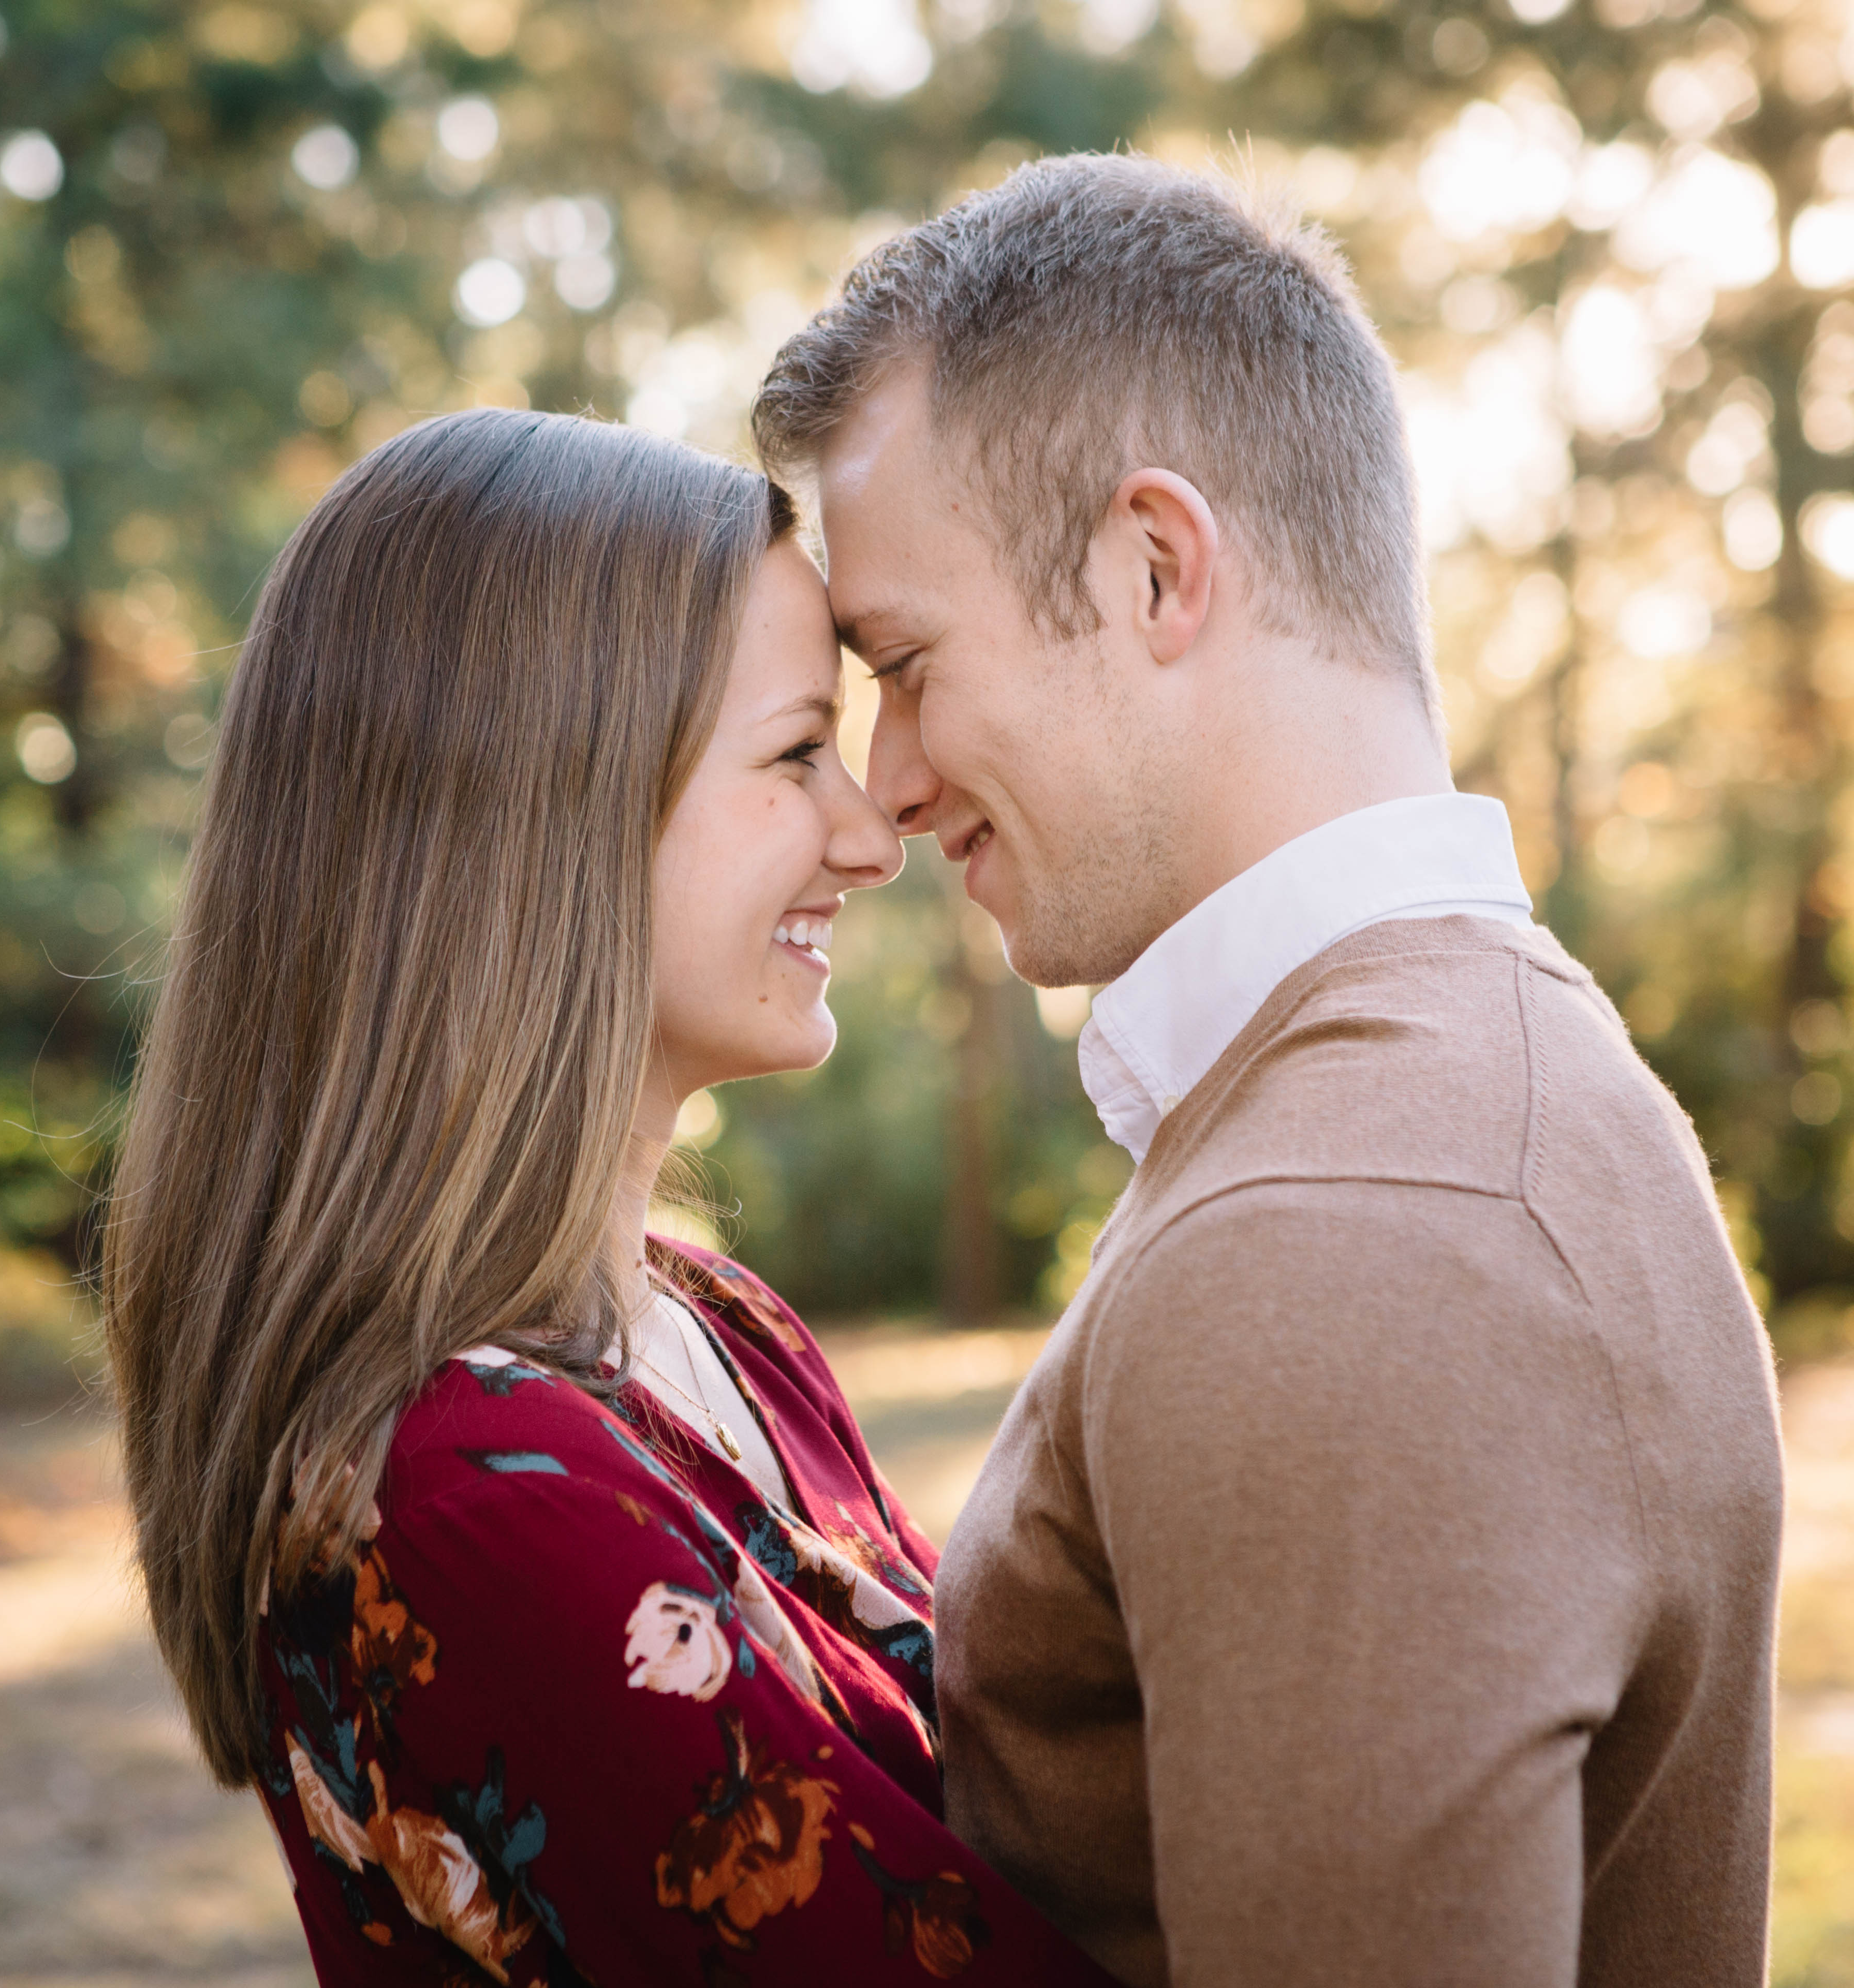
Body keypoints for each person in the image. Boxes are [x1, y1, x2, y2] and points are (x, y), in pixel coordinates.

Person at [753, 154, 1788, 1986]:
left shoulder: (1346, 1235)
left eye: (907, 664)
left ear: (1156, 566)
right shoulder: (1481, 1085)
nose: (890, 780)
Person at [102, 408, 1118, 1987]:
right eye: (795, 754)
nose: (871, 833)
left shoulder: (721, 1324)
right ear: (543, 816)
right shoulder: (472, 1505)